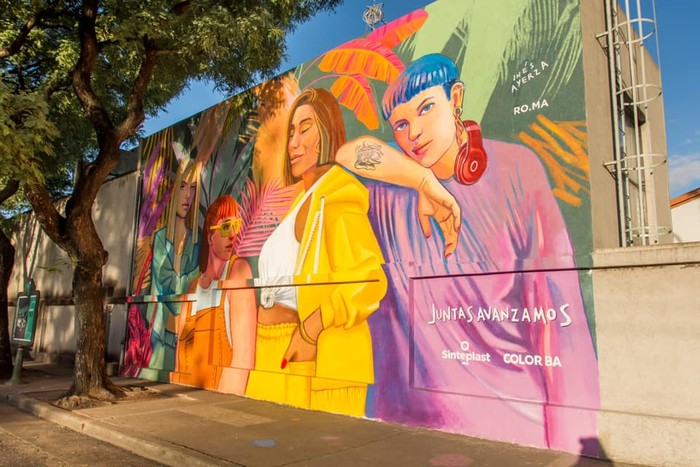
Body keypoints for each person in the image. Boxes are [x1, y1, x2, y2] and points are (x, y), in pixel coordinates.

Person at [336, 54, 600, 454]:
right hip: (402, 431)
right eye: (402, 124)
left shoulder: (516, 169)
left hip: (517, 434)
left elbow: (561, 326)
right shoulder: (389, 185)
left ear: (456, 98)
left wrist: (572, 447)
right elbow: (346, 153)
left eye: (427, 108)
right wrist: (422, 180)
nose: (415, 133)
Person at [245, 88, 387, 417]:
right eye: (291, 131)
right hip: (273, 352)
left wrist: (310, 329)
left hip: (311, 357)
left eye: (304, 128)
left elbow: (368, 280)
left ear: (326, 131)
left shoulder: (338, 195)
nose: (293, 143)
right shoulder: (303, 201)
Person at [172, 195, 257, 394]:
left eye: (236, 226)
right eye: (226, 227)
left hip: (216, 400)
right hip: (185, 399)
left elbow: (243, 360)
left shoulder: (238, 273)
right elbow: (178, 360)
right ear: (210, 237)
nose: (233, 235)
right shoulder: (193, 288)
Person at [141, 158, 201, 379]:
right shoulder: (159, 240)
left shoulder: (198, 241)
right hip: (161, 339)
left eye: (193, 189)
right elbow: (170, 288)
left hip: (187, 337)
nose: (188, 196)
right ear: (174, 191)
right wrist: (188, 280)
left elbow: (190, 286)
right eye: (183, 187)